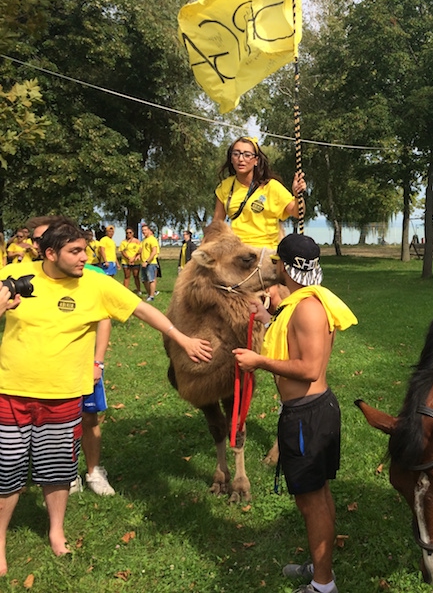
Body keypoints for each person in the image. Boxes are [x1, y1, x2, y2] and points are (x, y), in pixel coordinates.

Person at [0, 217, 212, 576]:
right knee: (6, 471)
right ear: (50, 253)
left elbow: (144, 310)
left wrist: (183, 339)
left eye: (86, 249)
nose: (86, 256)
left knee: (57, 469)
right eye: (76, 251)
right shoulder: (16, 273)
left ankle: (56, 532)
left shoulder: (96, 284)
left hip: (64, 393)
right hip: (11, 392)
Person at [233, 234, 357, 593]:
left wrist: (258, 360)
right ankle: (321, 567)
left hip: (307, 416)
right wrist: (267, 315)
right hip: (310, 413)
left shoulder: (307, 308)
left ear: (284, 266)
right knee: (319, 495)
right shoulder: (307, 300)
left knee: (311, 502)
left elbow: (309, 368)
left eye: (276, 263)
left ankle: (323, 585)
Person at [27, 216, 116, 496]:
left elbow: (104, 319)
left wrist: (97, 362)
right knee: (53, 423)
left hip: (83, 365)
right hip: (41, 369)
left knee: (88, 418)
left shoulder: (90, 276)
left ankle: (92, 471)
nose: (41, 245)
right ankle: (64, 472)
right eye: (38, 240)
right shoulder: (24, 277)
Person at [212, 136, 305, 250]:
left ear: (256, 160)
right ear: (231, 158)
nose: (241, 159)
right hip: (236, 252)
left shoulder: (271, 186)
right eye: (236, 154)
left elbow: (297, 213)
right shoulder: (225, 186)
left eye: (247, 155)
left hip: (265, 252)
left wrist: (297, 195)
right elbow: (216, 224)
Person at [119, 227, 143, 294]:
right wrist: (129, 258)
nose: (128, 234)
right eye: (127, 233)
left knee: (136, 276)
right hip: (126, 261)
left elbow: (140, 250)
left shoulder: (137, 241)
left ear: (133, 233)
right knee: (127, 276)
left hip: (135, 261)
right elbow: (122, 251)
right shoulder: (123, 242)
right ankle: (125, 291)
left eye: (130, 232)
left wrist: (134, 257)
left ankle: (138, 290)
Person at [140, 224, 160, 301]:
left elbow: (154, 251)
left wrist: (147, 261)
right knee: (144, 280)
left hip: (151, 263)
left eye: (145, 230)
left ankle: (151, 296)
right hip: (143, 263)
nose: (144, 232)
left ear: (149, 230)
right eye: (143, 230)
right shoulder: (144, 240)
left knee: (151, 279)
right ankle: (149, 294)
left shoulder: (152, 239)